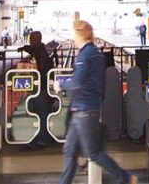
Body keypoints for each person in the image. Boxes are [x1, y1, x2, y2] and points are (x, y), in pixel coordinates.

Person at [55, 20, 137, 184]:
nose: (73, 37)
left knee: (93, 153)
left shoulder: (85, 55)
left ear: (80, 34)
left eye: (74, 33)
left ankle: (126, 178)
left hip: (84, 110)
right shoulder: (96, 53)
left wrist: (61, 85)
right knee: (70, 151)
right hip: (84, 108)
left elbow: (77, 82)